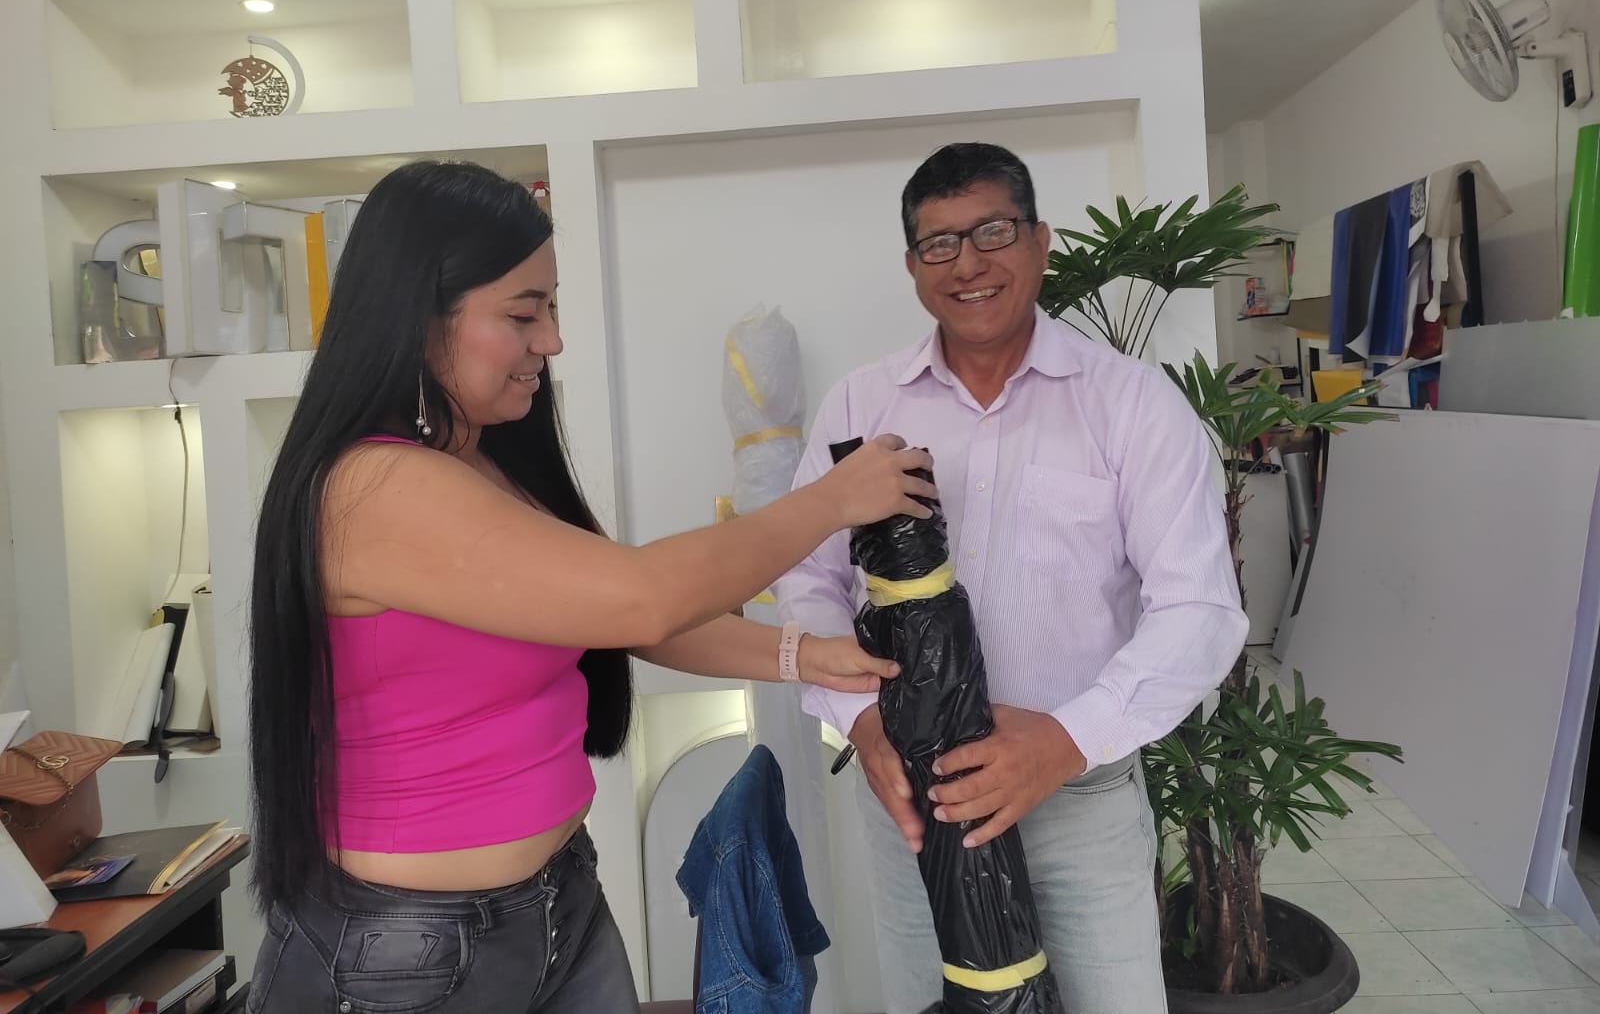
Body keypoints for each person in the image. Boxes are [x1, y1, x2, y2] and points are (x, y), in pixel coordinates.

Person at [246, 160, 936, 1013]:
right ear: (419, 317)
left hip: (558, 904)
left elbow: (614, 618)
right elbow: (640, 596)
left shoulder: (478, 465)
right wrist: (830, 501)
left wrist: (806, 655)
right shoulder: (371, 488)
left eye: (552, 308)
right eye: (523, 313)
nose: (552, 340)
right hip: (407, 953)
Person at [775, 142, 1246, 1013]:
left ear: (1039, 239)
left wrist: (1064, 741)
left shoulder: (1132, 404)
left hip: (1081, 799)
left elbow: (1200, 610)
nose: (968, 264)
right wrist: (863, 724)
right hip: (918, 802)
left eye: (992, 232)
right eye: (939, 243)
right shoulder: (860, 408)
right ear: (913, 265)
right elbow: (808, 579)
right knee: (934, 1003)